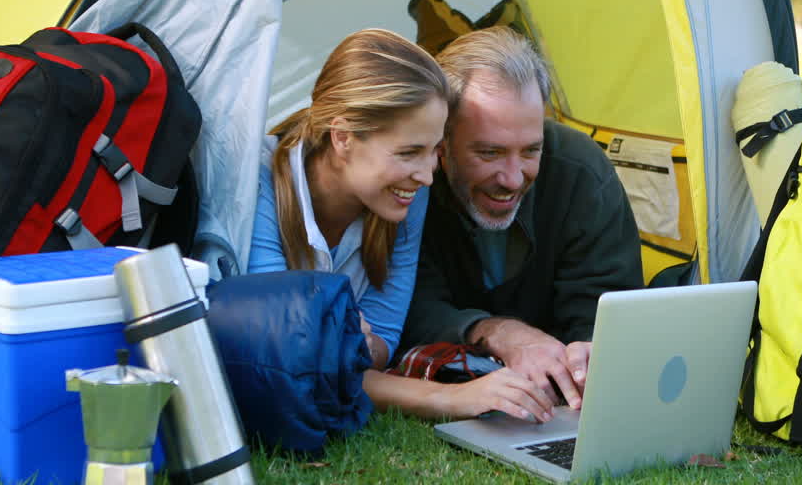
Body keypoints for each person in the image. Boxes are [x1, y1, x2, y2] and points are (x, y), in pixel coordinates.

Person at [247, 28, 551, 421]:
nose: (427, 176)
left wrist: (343, 344)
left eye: (433, 152)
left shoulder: (406, 196)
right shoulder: (257, 181)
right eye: (409, 152)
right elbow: (287, 355)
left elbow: (382, 342)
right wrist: (448, 398)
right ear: (342, 138)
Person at [401, 26, 643, 414]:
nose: (512, 179)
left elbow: (608, 304)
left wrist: (590, 350)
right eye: (490, 152)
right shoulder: (410, 183)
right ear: (441, 143)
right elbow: (405, 308)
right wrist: (496, 332)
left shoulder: (581, 173)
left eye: (531, 150)